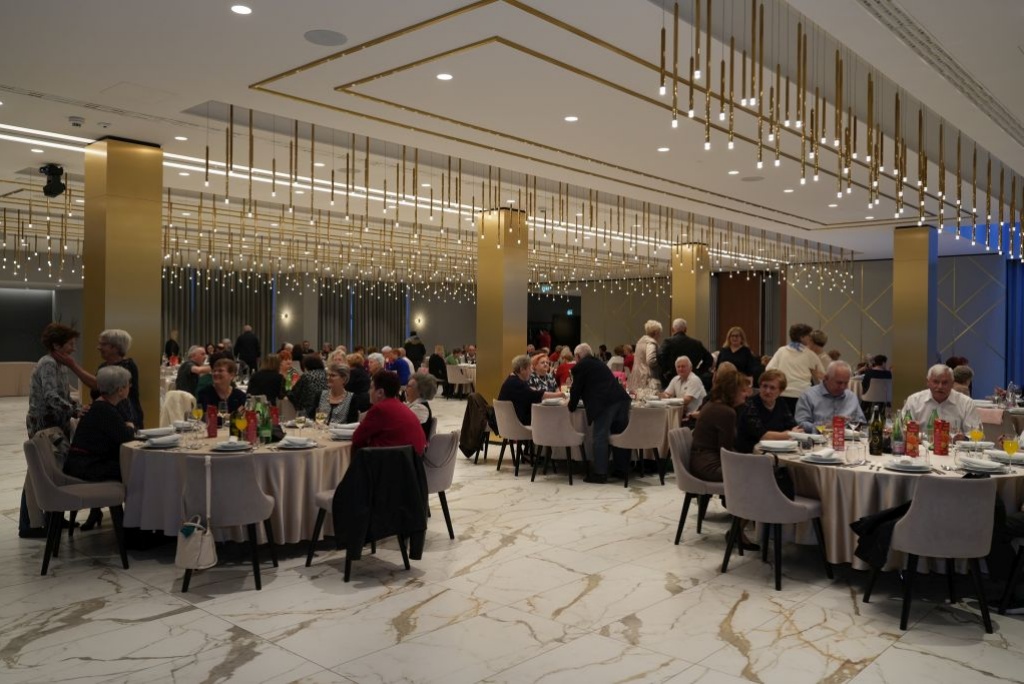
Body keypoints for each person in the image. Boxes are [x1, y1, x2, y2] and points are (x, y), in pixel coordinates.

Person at [22, 323, 83, 538]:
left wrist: (76, 407)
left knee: (53, 471)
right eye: (70, 344)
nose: (73, 348)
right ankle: (29, 525)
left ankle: (53, 519)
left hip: (56, 425)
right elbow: (51, 397)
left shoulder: (60, 365)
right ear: (56, 345)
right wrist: (75, 411)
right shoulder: (47, 364)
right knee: (38, 473)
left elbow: (63, 396)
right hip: (44, 426)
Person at [62, 366, 137, 531]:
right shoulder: (105, 410)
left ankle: (132, 523)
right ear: (120, 390)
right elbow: (127, 436)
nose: (130, 387)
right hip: (87, 467)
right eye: (127, 384)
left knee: (134, 469)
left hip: (81, 463)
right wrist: (130, 425)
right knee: (138, 472)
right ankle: (134, 526)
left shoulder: (101, 406)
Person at [54, 328, 144, 429]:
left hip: (125, 420)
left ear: (115, 347)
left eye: (103, 344)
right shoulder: (103, 367)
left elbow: (99, 385)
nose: (98, 348)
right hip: (106, 421)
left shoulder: (127, 366)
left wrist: (72, 365)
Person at [568, 343, 632, 484]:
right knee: (619, 435)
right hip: (621, 399)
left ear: (577, 356)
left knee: (600, 437)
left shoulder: (580, 366)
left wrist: (571, 406)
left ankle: (600, 473)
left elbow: (576, 389)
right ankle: (621, 470)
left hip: (605, 403)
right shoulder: (599, 362)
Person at [690, 369, 752, 482]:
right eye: (743, 390)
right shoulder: (726, 412)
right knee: (759, 472)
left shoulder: (712, 404)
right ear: (732, 391)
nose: (747, 394)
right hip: (710, 466)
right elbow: (726, 451)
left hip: (699, 460)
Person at [351, 370, 427, 456]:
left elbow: (357, 438)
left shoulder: (380, 409)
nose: (368, 392)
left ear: (380, 392)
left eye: (371, 388)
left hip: (391, 461)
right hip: (413, 460)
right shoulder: (402, 407)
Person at [766, 323, 826, 413]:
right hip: (803, 394)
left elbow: (769, 369)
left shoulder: (781, 351)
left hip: (783, 394)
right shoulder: (810, 355)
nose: (810, 338)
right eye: (809, 336)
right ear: (802, 337)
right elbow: (822, 376)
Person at [736, 369, 800, 453]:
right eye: (764, 386)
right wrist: (788, 434)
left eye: (772, 388)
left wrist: (786, 433)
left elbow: (794, 427)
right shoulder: (750, 405)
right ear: (760, 386)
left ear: (780, 391)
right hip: (752, 454)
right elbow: (763, 436)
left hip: (777, 451)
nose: (767, 391)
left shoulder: (781, 403)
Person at [902, 364, 979, 432]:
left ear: (952, 383)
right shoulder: (914, 401)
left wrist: (964, 438)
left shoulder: (966, 403)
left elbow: (975, 433)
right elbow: (903, 429)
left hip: (954, 444)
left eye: (945, 383)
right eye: (936, 382)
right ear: (928, 382)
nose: (940, 387)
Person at [794, 361, 865, 433]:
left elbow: (860, 422)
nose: (843, 387)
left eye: (846, 383)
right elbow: (801, 424)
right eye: (839, 383)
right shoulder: (808, 396)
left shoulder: (851, 397)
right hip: (817, 438)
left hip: (847, 438)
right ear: (826, 378)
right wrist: (823, 428)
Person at [498, 354, 563, 426]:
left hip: (508, 422)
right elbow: (536, 395)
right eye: (529, 368)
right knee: (552, 420)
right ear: (522, 369)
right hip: (517, 424)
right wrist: (561, 394)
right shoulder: (518, 384)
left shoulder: (512, 379)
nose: (532, 371)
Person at [657, 318, 715, 389]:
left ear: (672, 329)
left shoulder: (668, 342)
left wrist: (667, 371)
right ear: (685, 329)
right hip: (691, 377)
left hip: (672, 378)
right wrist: (698, 371)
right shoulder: (696, 343)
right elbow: (709, 359)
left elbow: (659, 357)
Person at [627, 320, 663, 392]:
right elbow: (651, 361)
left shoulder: (640, 342)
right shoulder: (651, 343)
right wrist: (661, 364)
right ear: (656, 332)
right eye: (659, 333)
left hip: (638, 375)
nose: (660, 335)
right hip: (648, 377)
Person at [289, 354, 328, 419]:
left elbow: (293, 394)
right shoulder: (327, 374)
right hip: (325, 407)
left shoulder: (306, 376)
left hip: (309, 410)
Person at [405, 372, 438, 438]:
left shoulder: (421, 409)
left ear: (420, 391)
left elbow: (405, 426)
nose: (405, 389)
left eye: (409, 387)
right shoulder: (412, 404)